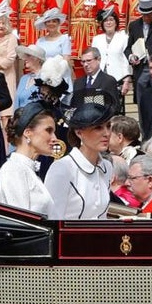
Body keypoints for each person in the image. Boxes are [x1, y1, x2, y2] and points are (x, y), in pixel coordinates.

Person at [44, 90, 114, 220]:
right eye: (98, 127)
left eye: (108, 126)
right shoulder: (62, 168)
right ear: (79, 132)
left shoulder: (107, 167)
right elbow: (52, 218)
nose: (107, 133)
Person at [0, 102, 55, 215]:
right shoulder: (13, 171)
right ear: (28, 133)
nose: (54, 138)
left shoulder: (25, 169)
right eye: (48, 131)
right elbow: (21, 221)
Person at [90, 6, 131, 112]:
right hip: (100, 79)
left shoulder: (124, 38)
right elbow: (93, 59)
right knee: (99, 110)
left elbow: (126, 60)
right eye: (106, 20)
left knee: (116, 110)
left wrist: (127, 80)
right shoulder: (97, 39)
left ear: (116, 22)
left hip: (117, 79)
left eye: (111, 20)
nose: (108, 23)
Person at [62, 0, 100, 71]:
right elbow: (64, 18)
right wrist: (65, 34)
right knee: (75, 59)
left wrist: (99, 32)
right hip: (74, 33)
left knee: (90, 56)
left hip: (90, 32)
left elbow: (102, 16)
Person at [34, 8, 74, 89]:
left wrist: (55, 76)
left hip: (61, 77)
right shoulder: (40, 41)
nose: (51, 24)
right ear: (45, 24)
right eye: (48, 21)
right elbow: (37, 60)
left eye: (54, 21)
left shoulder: (64, 39)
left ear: (58, 23)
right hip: (44, 77)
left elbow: (66, 60)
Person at [14, 45, 47, 110]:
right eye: (25, 56)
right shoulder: (24, 79)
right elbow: (17, 102)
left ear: (37, 59)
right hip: (20, 115)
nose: (25, 59)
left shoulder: (45, 79)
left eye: (28, 56)